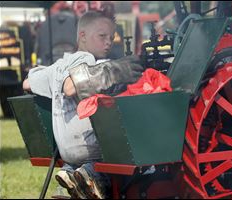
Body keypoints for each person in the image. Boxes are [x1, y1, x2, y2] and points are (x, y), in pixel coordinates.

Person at [22, 10, 144, 199]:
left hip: (68, 152)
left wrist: (50, 75)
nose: (108, 42)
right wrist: (113, 71)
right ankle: (91, 175)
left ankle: (69, 181)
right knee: (133, 162)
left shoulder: (60, 65)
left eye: (111, 37)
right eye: (102, 36)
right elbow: (71, 87)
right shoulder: (87, 60)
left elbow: (27, 83)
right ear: (83, 36)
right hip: (91, 150)